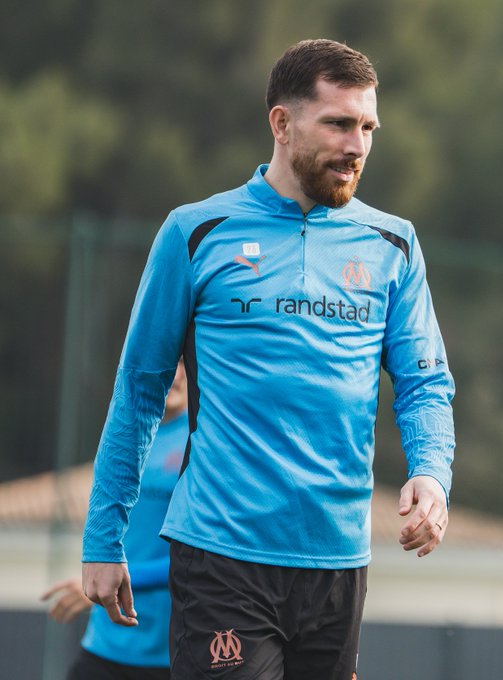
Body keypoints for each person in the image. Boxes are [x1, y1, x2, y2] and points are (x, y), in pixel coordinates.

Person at [82, 39, 455, 680]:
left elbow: (425, 382)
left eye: (368, 128)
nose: (357, 145)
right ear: (282, 124)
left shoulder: (394, 243)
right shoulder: (195, 232)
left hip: (338, 561)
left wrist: (431, 471)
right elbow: (139, 391)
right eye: (338, 123)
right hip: (221, 553)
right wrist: (102, 536)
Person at [43, 361, 188, 679]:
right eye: (166, 360)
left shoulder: (201, 441)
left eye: (182, 363)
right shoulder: (122, 435)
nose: (175, 373)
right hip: (105, 643)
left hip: (170, 651)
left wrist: (116, 579)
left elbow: (198, 558)